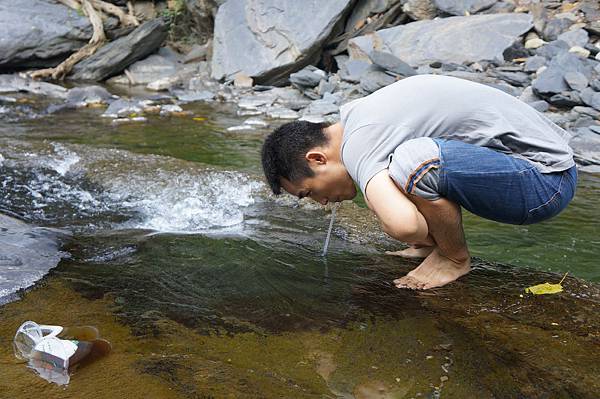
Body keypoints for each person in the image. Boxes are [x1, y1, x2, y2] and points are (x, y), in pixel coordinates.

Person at [261, 74, 577, 290]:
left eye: (310, 193)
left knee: (412, 163)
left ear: (317, 159)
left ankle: (455, 258)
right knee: (401, 166)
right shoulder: (357, 116)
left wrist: (382, 208)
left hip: (544, 182)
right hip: (539, 168)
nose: (323, 202)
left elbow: (405, 226)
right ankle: (433, 247)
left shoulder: (358, 146)